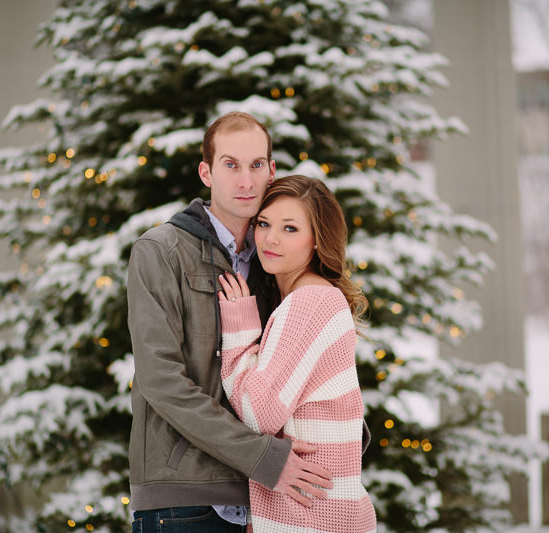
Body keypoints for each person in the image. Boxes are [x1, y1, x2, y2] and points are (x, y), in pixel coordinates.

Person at [126, 113, 333, 533]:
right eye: (231, 165)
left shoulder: (276, 258)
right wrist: (260, 456)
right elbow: (160, 380)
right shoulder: (160, 251)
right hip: (186, 504)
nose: (246, 181)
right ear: (207, 171)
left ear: (272, 171)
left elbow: (302, 367)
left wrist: (332, 439)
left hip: (270, 505)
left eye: (257, 165)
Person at [217, 175, 377, 532]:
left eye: (290, 228)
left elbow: (259, 414)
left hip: (308, 517)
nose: (270, 239)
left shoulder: (308, 302)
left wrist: (240, 330)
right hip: (317, 511)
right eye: (264, 223)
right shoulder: (317, 297)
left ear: (317, 240)